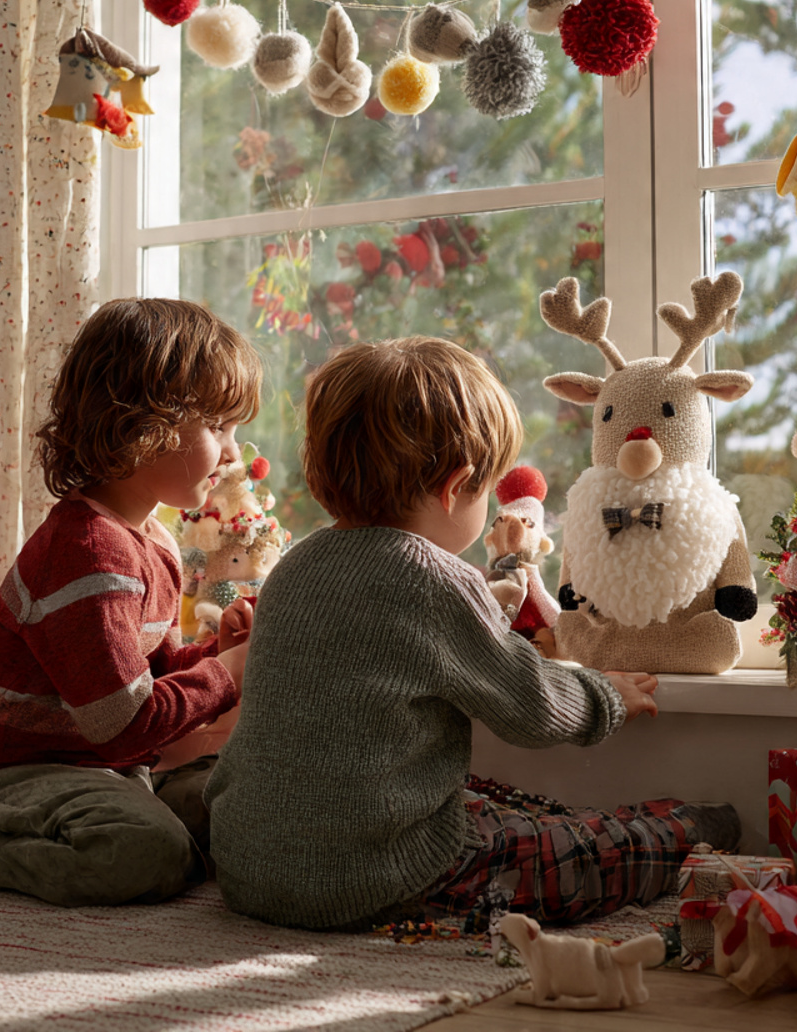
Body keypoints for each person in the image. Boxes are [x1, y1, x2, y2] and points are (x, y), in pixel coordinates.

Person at [205, 335, 739, 932]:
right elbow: (529, 703)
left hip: (248, 866)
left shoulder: (293, 569)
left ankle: (605, 823)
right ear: (456, 486)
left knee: (476, 796)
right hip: (376, 876)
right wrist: (607, 696)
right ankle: (684, 829)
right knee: (584, 859)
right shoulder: (434, 579)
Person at [0, 299, 261, 906]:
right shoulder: (87, 552)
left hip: (106, 768)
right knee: (147, 853)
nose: (235, 453)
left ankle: (143, 824)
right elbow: (124, 725)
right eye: (218, 427)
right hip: (8, 774)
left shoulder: (153, 539)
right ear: (143, 425)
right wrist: (228, 675)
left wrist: (219, 652)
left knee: (253, 800)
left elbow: (151, 676)